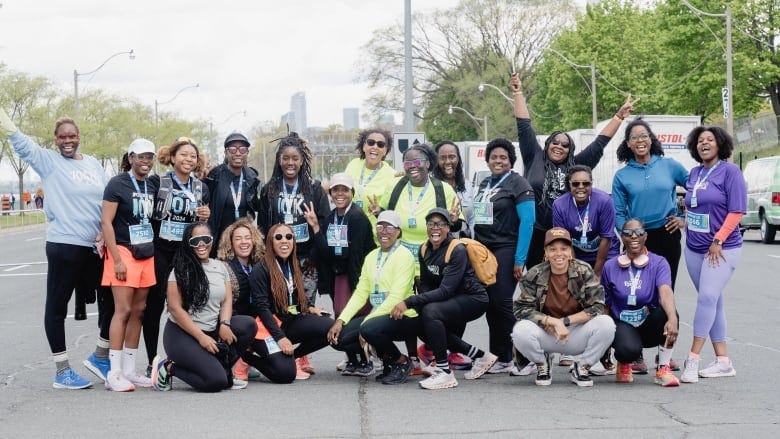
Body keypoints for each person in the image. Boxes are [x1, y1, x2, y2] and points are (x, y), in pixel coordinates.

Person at [1, 110, 107, 389]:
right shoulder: (48, 161)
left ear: (79, 137)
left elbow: (107, 201)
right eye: (62, 137)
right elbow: (22, 143)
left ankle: (100, 356)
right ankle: (62, 371)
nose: (68, 141)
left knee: (113, 300)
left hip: (95, 248)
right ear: (56, 140)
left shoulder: (94, 164)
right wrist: (6, 121)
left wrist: (105, 231)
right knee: (57, 306)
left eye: (72, 136)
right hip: (64, 245)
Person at [510, 73, 637, 270]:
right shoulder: (534, 156)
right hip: (535, 232)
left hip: (563, 236)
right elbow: (523, 126)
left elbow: (599, 143)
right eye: (555, 142)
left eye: (565, 144)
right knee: (538, 284)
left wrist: (619, 117)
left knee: (562, 282)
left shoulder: (576, 167)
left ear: (571, 150)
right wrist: (518, 92)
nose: (559, 146)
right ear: (548, 144)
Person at [612, 119, 689, 374]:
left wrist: (684, 219)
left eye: (644, 136)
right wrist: (629, 236)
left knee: (664, 292)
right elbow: (619, 212)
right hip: (637, 238)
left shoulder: (668, 166)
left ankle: (663, 353)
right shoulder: (623, 175)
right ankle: (634, 354)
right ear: (628, 144)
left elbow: (697, 190)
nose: (640, 141)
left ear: (652, 138)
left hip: (666, 234)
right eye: (634, 138)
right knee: (633, 294)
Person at [390, 208, 496, 390]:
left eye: (440, 224)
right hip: (452, 298)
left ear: (448, 228)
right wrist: (419, 304)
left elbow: (445, 291)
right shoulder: (424, 249)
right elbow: (425, 284)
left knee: (430, 312)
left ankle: (444, 371)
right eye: (431, 224)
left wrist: (408, 302)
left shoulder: (457, 250)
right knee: (421, 317)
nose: (435, 228)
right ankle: (480, 356)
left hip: (474, 299)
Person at [151, 222, 256, 392]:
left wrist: (225, 324)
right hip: (183, 334)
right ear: (188, 243)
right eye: (195, 240)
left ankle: (224, 370)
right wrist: (201, 337)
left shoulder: (219, 267)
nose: (201, 245)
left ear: (211, 241)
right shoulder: (179, 270)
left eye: (205, 239)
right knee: (215, 382)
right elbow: (175, 309)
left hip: (212, 329)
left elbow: (227, 300)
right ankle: (169, 368)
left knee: (248, 325)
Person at [679, 126, 746, 383]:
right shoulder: (695, 173)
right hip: (694, 248)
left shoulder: (731, 172)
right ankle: (723, 361)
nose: (704, 144)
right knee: (713, 301)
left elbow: (736, 211)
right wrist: (683, 222)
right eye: (699, 141)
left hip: (722, 248)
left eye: (709, 140)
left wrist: (718, 239)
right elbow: (696, 208)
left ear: (720, 144)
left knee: (707, 297)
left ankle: (692, 359)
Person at [511, 227, 615, 387]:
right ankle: (542, 363)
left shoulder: (583, 270)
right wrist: (551, 321)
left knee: (606, 324)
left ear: (570, 251)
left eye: (564, 249)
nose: (559, 254)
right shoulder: (535, 273)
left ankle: (582, 367)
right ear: (545, 252)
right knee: (520, 330)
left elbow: (597, 307)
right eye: (553, 249)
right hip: (548, 332)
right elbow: (521, 308)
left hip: (577, 331)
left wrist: (564, 322)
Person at [143, 137, 211, 376]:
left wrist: (205, 215)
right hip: (161, 251)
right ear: (172, 157)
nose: (188, 159)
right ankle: (152, 360)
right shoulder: (157, 182)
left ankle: (185, 356)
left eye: (193, 156)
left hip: (186, 253)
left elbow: (202, 222)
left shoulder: (201, 187)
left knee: (188, 306)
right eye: (183, 154)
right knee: (154, 306)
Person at [327, 211, 419, 385]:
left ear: (398, 231)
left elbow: (396, 298)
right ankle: (387, 362)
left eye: (390, 227)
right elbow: (361, 292)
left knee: (369, 328)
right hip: (379, 316)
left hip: (403, 316)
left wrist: (365, 324)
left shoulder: (404, 256)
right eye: (380, 226)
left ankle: (401, 361)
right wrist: (340, 320)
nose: (384, 231)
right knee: (339, 339)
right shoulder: (371, 256)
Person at [99, 139, 159, 391]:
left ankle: (130, 370)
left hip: (146, 251)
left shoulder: (153, 184)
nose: (145, 161)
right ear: (131, 157)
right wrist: (117, 258)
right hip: (123, 251)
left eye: (149, 157)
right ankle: (113, 373)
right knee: (122, 311)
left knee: (139, 311)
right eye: (141, 157)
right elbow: (106, 222)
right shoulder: (117, 183)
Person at [471, 138, 535, 374]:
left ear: (511, 161)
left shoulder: (518, 183)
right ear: (487, 160)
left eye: (503, 157)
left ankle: (527, 357)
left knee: (501, 301)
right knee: (490, 305)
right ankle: (501, 356)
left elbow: (528, 222)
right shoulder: (485, 183)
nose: (498, 161)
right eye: (493, 157)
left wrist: (520, 259)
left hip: (506, 248)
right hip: (483, 251)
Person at [248, 223, 334, 380]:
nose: (284, 241)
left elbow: (293, 297)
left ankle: (294, 356)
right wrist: (280, 338)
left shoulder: (292, 265)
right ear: (270, 242)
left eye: (288, 237)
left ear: (293, 241)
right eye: (278, 237)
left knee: (330, 327)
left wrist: (308, 308)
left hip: (288, 321)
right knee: (285, 375)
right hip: (267, 328)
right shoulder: (260, 270)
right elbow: (262, 308)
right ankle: (247, 358)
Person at [601, 218, 680, 387]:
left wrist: (672, 318)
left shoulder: (659, 263)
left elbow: (665, 291)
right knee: (628, 350)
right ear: (622, 237)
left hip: (648, 322)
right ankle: (624, 362)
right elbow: (605, 304)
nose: (634, 236)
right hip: (622, 324)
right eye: (628, 233)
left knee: (669, 314)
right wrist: (603, 343)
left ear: (646, 236)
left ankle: (663, 368)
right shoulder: (609, 266)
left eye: (639, 233)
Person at [552, 164, 620, 277]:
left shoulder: (604, 201)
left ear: (591, 184)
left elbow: (606, 238)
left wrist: (597, 273)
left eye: (586, 183)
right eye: (575, 183)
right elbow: (564, 241)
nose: (581, 187)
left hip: (606, 251)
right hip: (577, 254)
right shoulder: (559, 205)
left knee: (606, 282)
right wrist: (575, 270)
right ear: (569, 184)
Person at [205, 132, 261, 257]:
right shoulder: (215, 175)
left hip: (242, 238)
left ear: (247, 153)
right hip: (219, 237)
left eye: (242, 149)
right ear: (226, 153)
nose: (237, 153)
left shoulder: (251, 177)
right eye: (232, 149)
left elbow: (255, 205)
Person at [343, 128, 397, 237]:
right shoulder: (353, 164)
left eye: (380, 144)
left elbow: (394, 211)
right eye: (371, 142)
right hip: (349, 231)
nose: (375, 147)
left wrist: (379, 211)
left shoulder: (393, 175)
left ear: (385, 151)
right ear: (364, 146)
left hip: (374, 237)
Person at [433, 140, 474, 238]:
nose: (447, 162)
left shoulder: (469, 187)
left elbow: (473, 220)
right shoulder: (430, 186)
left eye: (452, 157)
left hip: (465, 245)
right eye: (442, 158)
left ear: (458, 159)